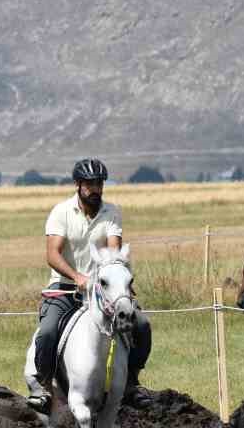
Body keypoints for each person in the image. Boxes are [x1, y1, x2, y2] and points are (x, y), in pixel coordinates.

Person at [22, 158, 153, 413]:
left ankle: (131, 383)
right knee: (48, 331)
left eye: (99, 183)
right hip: (65, 288)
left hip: (103, 291)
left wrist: (113, 280)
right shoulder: (61, 212)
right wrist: (78, 277)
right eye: (90, 184)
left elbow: (114, 249)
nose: (95, 189)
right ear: (78, 184)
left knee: (141, 325)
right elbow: (53, 254)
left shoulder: (111, 212)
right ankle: (43, 386)